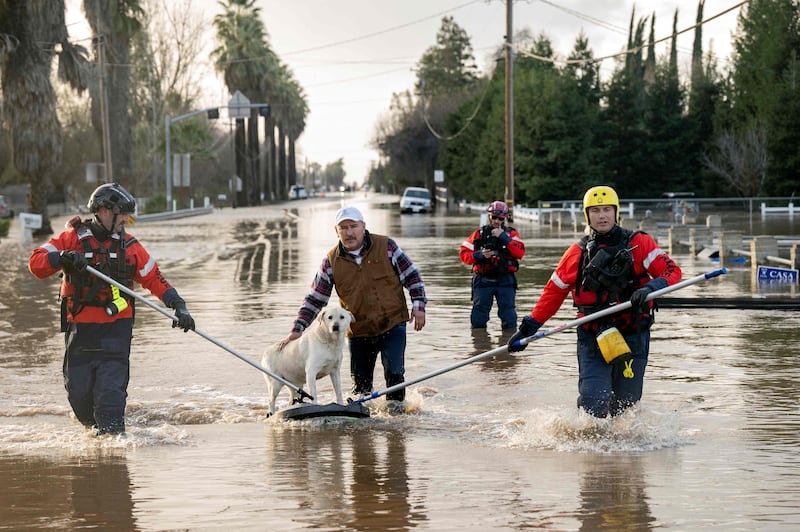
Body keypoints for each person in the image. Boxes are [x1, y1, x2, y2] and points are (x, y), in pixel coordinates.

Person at [28, 183, 195, 435]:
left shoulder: (130, 246)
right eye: (122, 214)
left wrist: (179, 306)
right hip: (80, 332)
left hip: (117, 332)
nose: (126, 220)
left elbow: (155, 278)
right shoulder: (71, 239)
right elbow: (36, 263)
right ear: (104, 211)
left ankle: (114, 457)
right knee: (80, 402)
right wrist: (62, 257)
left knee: (110, 407)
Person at [508, 185, 681, 418]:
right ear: (587, 215)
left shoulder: (640, 244)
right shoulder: (576, 253)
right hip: (593, 335)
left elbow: (672, 272)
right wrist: (528, 328)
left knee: (625, 408)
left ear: (616, 212)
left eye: (607, 209)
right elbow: (553, 293)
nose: (602, 216)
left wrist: (651, 287)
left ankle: (619, 454)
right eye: (596, 210)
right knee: (593, 402)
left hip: (633, 333)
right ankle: (590, 451)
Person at [280, 206, 427, 403]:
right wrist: (297, 329)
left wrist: (418, 306)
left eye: (353, 226)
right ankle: (362, 422)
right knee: (361, 386)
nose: (349, 232)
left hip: (392, 322)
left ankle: (396, 420)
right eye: (344, 228)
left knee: (395, 374)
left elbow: (412, 275)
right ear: (336, 231)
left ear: (363, 226)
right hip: (358, 330)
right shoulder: (330, 261)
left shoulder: (386, 246)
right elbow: (315, 299)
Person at [459, 200, 525, 331]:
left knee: (509, 317)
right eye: (494, 217)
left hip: (505, 279)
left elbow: (520, 252)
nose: (496, 221)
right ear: (489, 216)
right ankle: (479, 346)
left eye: (500, 218)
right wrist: (479, 255)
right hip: (483, 280)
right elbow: (463, 255)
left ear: (505, 218)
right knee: (478, 317)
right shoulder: (479, 234)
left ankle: (508, 345)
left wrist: (504, 238)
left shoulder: (512, 235)